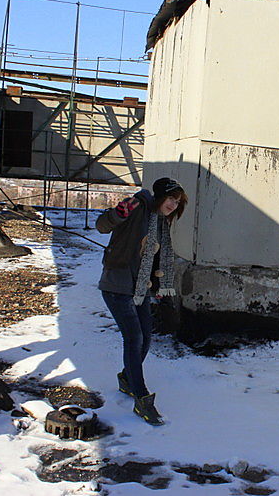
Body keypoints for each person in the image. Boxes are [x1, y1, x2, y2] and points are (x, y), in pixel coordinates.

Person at [96, 177, 187, 425]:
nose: (173, 204)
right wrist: (117, 214)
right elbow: (102, 225)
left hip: (139, 288)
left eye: (177, 202)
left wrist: (157, 285)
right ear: (160, 197)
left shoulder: (159, 222)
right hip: (117, 285)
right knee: (134, 338)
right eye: (171, 198)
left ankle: (127, 378)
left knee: (146, 337)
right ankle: (141, 396)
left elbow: (155, 258)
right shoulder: (136, 208)